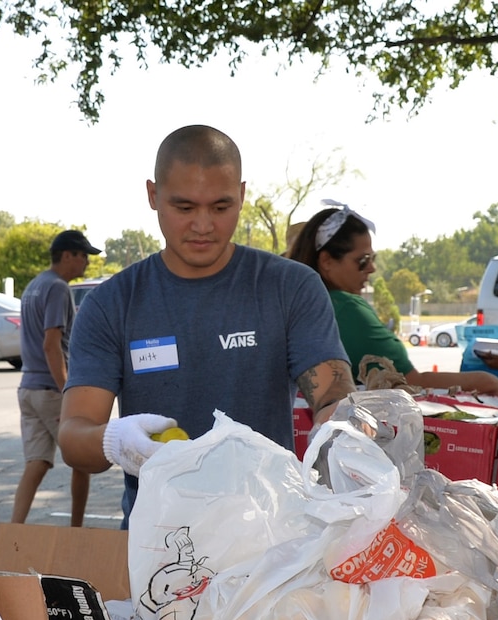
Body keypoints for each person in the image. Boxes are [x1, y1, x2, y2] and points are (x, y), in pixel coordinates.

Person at [59, 124, 356, 523]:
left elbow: (333, 399)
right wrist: (114, 440)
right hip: (158, 542)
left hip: (272, 534)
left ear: (243, 195)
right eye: (184, 207)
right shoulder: (112, 304)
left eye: (220, 207)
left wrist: (344, 429)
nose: (203, 225)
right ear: (153, 195)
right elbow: (73, 436)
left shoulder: (289, 287)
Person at [290, 203, 498, 398]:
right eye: (362, 260)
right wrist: (485, 382)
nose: (372, 268)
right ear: (327, 261)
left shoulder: (292, 303)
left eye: (372, 259)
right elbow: (411, 381)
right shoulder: (346, 310)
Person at [11, 229, 100, 526]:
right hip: (51, 389)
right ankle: (76, 528)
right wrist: (67, 392)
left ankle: (15, 528)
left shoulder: (35, 284)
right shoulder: (58, 288)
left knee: (36, 462)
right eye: (83, 256)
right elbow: (52, 343)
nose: (86, 263)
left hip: (28, 388)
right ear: (67, 256)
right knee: (82, 459)